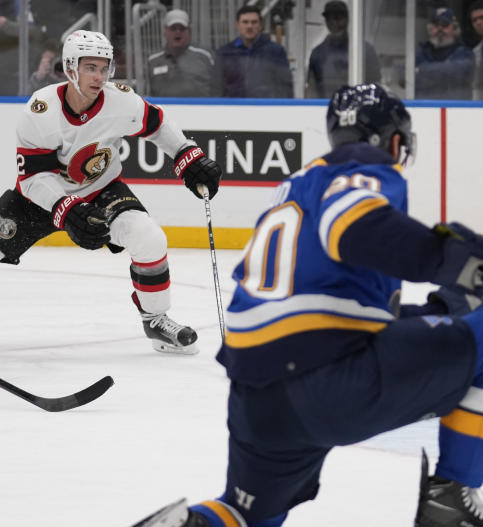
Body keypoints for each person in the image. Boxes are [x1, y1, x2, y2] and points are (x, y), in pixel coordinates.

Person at [85, 83, 483, 527]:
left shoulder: (298, 186)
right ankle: (450, 514)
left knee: (250, 526)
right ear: (390, 139)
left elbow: (343, 301)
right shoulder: (364, 168)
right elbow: (358, 229)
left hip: (258, 397)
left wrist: (443, 308)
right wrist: (462, 265)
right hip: (327, 380)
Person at [0, 30, 221, 354]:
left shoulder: (120, 101)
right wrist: (66, 207)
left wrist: (187, 155)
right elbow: (34, 178)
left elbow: (158, 123)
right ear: (71, 68)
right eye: (91, 67)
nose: (99, 76)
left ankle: (155, 319)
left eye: (104, 68)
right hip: (40, 199)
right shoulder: (42, 110)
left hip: (100, 190)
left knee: (148, 237)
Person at [306, 0, 381, 100]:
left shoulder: (365, 51)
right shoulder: (317, 54)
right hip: (326, 109)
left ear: (347, 19)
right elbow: (312, 90)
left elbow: (376, 86)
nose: (334, 23)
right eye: (329, 19)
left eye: (338, 18)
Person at [215, 5, 293, 98]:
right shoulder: (225, 53)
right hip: (235, 109)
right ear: (237, 25)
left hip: (265, 108)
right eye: (245, 22)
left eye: (254, 22)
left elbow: (286, 86)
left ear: (260, 25)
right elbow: (218, 88)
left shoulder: (275, 51)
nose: (249, 26)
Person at [146, 9, 215, 97]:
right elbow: (148, 92)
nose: (177, 32)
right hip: (164, 109)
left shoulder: (205, 56)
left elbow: (218, 88)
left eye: (182, 28)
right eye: (173, 28)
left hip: (200, 109)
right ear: (165, 31)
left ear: (189, 31)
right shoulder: (153, 60)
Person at [411, 7, 475, 100]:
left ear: (454, 29)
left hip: (457, 110)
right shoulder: (420, 52)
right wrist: (445, 69)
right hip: (424, 109)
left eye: (445, 25)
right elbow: (403, 76)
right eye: (436, 25)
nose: (440, 29)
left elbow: (456, 75)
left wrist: (421, 70)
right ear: (430, 29)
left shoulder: (466, 53)